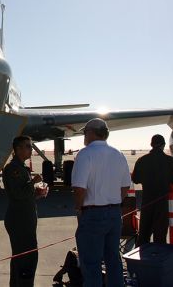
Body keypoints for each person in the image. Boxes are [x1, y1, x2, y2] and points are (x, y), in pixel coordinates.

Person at [72, 118, 131, 287]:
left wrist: (79, 208)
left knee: (91, 263)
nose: (84, 136)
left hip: (93, 214)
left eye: (85, 132)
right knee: (113, 260)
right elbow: (126, 185)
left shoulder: (85, 154)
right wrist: (113, 200)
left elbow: (79, 189)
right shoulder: (118, 154)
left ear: (91, 132)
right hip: (114, 214)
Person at [3, 135, 49, 287]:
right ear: (18, 149)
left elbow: (24, 194)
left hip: (24, 219)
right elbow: (18, 194)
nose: (31, 149)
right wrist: (33, 182)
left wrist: (38, 193)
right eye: (28, 146)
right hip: (19, 221)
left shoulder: (21, 168)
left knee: (21, 257)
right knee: (26, 258)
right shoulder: (13, 169)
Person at [132, 134, 173, 246]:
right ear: (163, 145)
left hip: (147, 202)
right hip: (162, 202)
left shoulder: (142, 160)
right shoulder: (170, 161)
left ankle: (140, 261)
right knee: (160, 236)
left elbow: (135, 179)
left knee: (143, 235)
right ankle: (158, 260)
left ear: (151, 145)